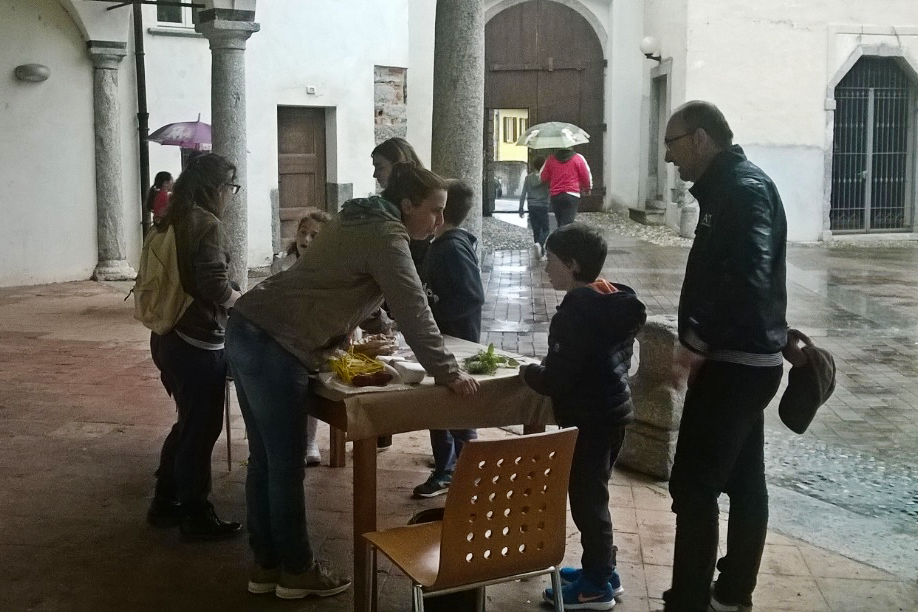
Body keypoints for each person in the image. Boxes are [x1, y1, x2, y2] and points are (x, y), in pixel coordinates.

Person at [226, 162, 480, 600]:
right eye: (434, 210)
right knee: (283, 466)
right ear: (406, 205)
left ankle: (267, 565)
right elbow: (413, 307)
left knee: (267, 461)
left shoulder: (359, 216)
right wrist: (447, 371)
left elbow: (351, 284)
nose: (439, 221)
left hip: (251, 325)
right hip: (276, 340)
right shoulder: (387, 234)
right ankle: (297, 570)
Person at [661, 101, 787, 612]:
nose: (670, 159)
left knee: (693, 485)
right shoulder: (733, 187)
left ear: (699, 138)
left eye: (672, 146)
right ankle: (733, 592)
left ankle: (690, 601)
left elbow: (748, 276)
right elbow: (751, 274)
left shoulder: (742, 189)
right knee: (744, 479)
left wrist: (696, 342)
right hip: (745, 359)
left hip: (734, 364)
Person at [519, 223, 646, 611]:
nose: (545, 268)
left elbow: (556, 379)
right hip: (613, 413)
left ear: (572, 264)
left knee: (588, 500)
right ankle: (603, 570)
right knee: (596, 494)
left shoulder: (576, 312)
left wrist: (526, 371)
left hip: (589, 417)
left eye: (551, 261)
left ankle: (595, 586)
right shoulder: (611, 299)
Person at [145, 154, 242, 541]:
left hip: (167, 335)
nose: (231, 196)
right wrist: (242, 300)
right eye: (231, 188)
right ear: (217, 188)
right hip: (196, 340)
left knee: (188, 422)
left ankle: (166, 502)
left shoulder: (171, 217)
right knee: (201, 429)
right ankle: (195, 514)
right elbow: (213, 286)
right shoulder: (205, 223)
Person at [412, 180, 485, 498]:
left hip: (455, 344)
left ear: (441, 212)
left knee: (450, 409)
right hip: (444, 342)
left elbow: (473, 296)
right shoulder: (440, 245)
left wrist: (440, 324)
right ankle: (455, 465)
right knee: (442, 408)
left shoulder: (452, 247)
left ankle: (455, 470)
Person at [370, 137, 426, 450]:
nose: (376, 175)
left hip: (410, 290)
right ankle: (382, 427)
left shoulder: (414, 207)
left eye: (380, 167)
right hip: (393, 293)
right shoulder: (386, 209)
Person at [268, 208, 332, 467]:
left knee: (310, 390)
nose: (306, 240)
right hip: (283, 335)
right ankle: (281, 441)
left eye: (315, 236)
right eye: (303, 233)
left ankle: (309, 441)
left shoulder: (330, 267)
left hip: (315, 338)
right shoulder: (283, 265)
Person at [270, 208, 331, 275]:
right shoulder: (281, 268)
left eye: (313, 236)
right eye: (303, 232)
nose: (306, 238)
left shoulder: (333, 271)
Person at [540, 147, 592, 227]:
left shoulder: (551, 159)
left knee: (560, 222)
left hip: (556, 195)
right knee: (567, 224)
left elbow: (543, 178)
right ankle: (563, 238)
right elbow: (585, 176)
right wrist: (587, 188)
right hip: (572, 194)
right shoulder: (578, 158)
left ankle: (559, 237)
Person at [519, 155, 551, 259]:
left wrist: (521, 208)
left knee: (536, 229)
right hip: (543, 205)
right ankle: (540, 244)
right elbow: (550, 190)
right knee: (546, 229)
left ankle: (538, 251)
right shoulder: (546, 178)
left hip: (531, 205)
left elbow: (523, 193)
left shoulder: (528, 178)